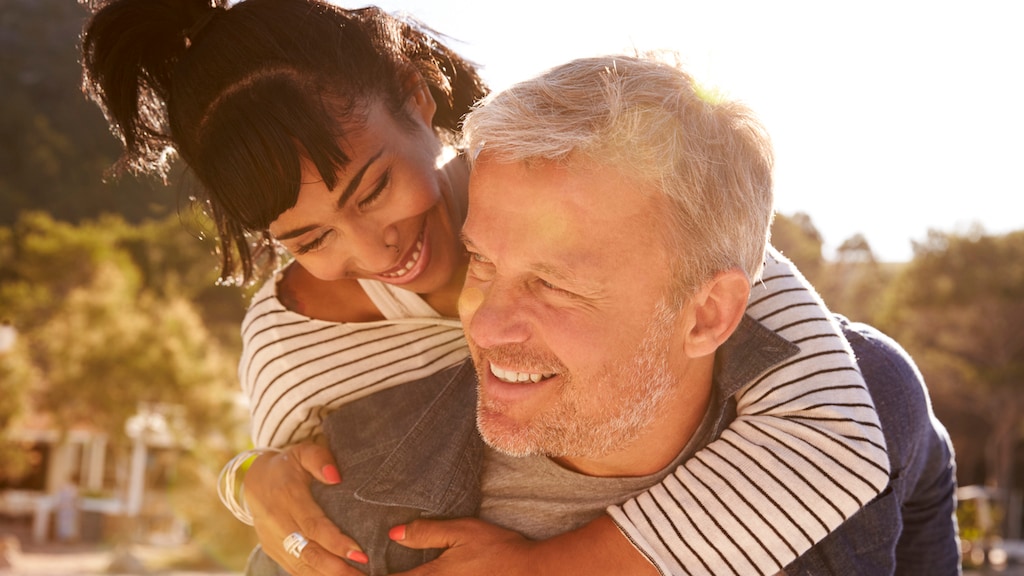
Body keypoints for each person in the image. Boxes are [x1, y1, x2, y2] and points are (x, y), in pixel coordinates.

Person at [80, 1, 889, 574]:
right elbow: (301, 483)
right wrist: (247, 476)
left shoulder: (574, 184)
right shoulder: (295, 342)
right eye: (309, 238)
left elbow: (843, 436)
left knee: (877, 368)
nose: (374, 248)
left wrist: (552, 569)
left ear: (417, 100)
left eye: (372, 189)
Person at [292, 53, 962, 576]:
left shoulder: (866, 404)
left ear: (707, 315)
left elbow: (926, 474)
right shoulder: (351, 499)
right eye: (483, 263)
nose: (487, 325)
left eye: (553, 284)